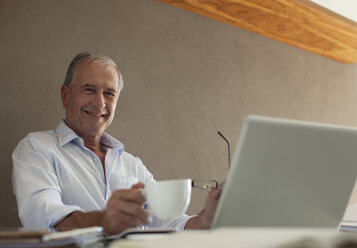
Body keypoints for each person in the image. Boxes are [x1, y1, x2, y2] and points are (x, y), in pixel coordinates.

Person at [12, 51, 222, 235]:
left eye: (109, 93)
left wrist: (205, 219)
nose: (99, 102)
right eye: (89, 90)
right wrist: (104, 221)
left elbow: (168, 221)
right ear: (65, 96)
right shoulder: (37, 148)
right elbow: (40, 216)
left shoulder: (133, 164)